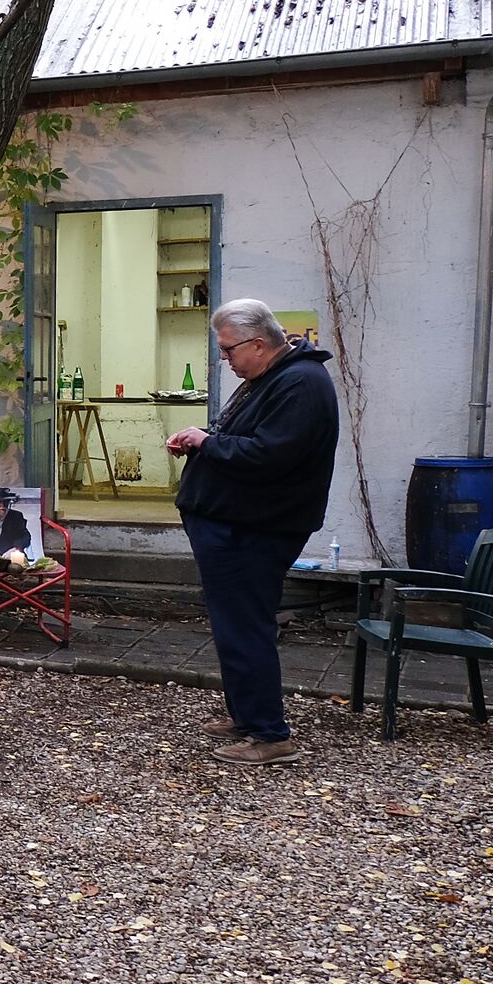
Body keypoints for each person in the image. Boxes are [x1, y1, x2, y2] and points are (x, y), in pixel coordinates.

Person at [166, 299, 339, 766]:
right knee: (234, 625)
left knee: (245, 627)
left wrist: (207, 443)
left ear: (259, 344)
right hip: (237, 524)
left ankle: (269, 734)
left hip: (253, 528)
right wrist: (201, 440)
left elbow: (269, 456)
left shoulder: (300, 384)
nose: (225, 359)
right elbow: (245, 439)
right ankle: (247, 716)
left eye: (228, 350)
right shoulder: (273, 378)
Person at [0, 487, 33, 559]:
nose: (2, 505)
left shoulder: (17, 516)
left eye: (5, 502)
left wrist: (15, 549)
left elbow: (25, 536)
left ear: (9, 502)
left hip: (12, 554)